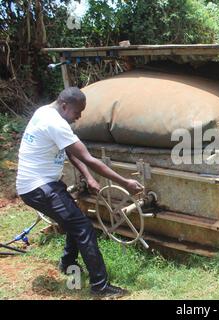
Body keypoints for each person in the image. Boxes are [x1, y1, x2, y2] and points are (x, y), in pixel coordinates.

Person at [16, 87, 143, 298]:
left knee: (76, 222)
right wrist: (125, 182)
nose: (79, 117)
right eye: (77, 112)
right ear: (65, 106)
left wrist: (89, 177)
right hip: (40, 187)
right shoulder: (55, 123)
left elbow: (69, 151)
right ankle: (100, 287)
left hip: (38, 186)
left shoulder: (45, 112)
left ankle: (67, 263)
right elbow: (90, 159)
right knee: (83, 228)